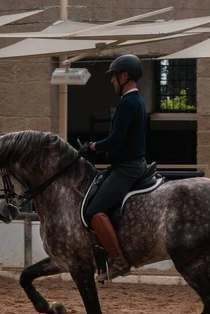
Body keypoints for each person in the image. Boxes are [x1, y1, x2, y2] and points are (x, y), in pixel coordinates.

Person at [81, 54, 147, 282]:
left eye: (113, 77)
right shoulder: (137, 101)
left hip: (126, 168)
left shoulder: (127, 103)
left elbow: (116, 140)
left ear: (124, 76)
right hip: (128, 165)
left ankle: (119, 263)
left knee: (91, 211)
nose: (111, 82)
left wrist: (93, 146)